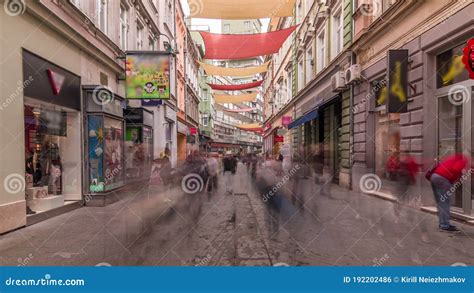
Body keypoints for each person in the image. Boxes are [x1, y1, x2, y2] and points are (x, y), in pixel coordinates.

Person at [429, 153, 469, 233]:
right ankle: (444, 225)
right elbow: (456, 169)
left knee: (441, 202)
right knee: (444, 203)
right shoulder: (463, 160)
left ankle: (443, 224)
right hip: (442, 179)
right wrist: (459, 177)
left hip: (434, 177)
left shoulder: (452, 158)